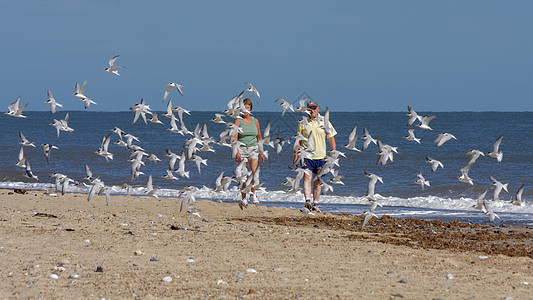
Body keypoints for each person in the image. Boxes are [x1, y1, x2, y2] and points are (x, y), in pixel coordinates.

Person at [293, 100, 337, 212]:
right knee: (307, 177)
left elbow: (331, 137)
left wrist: (334, 153)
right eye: (309, 108)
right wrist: (295, 154)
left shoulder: (324, 121)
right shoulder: (302, 123)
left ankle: (315, 204)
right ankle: (307, 202)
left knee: (318, 180)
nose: (312, 110)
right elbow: (298, 140)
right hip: (306, 156)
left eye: (314, 108)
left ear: (317, 109)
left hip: (321, 156)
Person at [234, 98, 265, 206]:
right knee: (243, 175)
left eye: (247, 108)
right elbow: (235, 138)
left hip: (254, 148)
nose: (245, 110)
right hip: (241, 148)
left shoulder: (255, 121)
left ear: (251, 109)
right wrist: (236, 152)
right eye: (244, 108)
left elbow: (259, 136)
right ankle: (244, 198)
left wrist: (261, 152)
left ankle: (252, 194)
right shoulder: (238, 121)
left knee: (254, 173)